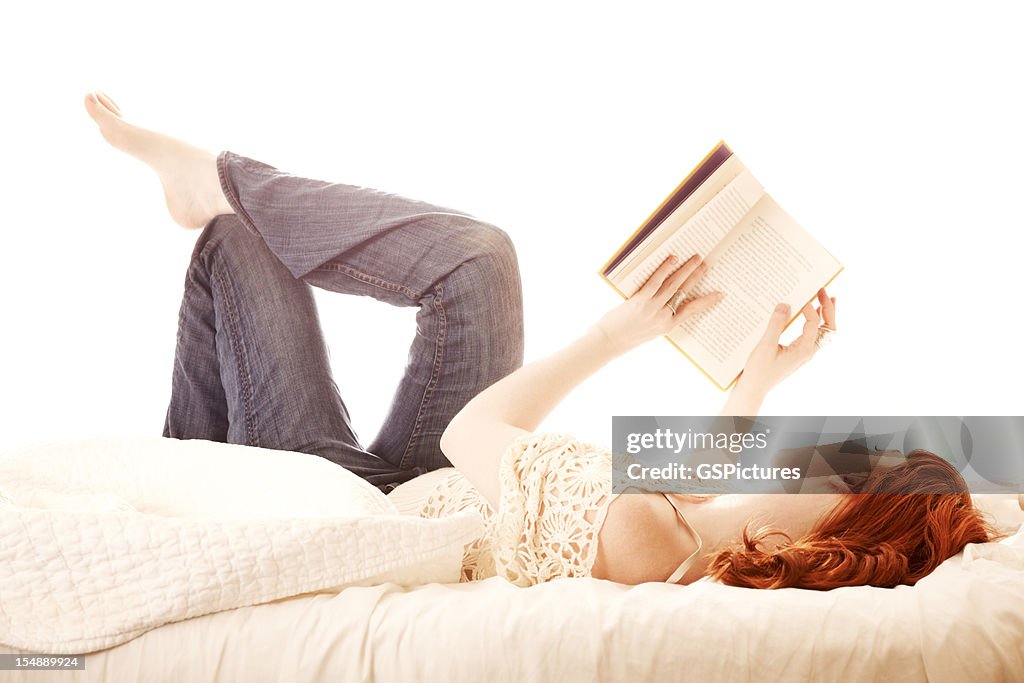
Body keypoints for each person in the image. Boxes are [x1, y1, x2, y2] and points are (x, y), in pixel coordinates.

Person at [84, 92, 994, 591]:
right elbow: (705, 476)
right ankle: (216, 189)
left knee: (240, 245)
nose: (811, 460)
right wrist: (759, 375)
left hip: (363, 498)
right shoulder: (685, 526)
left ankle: (198, 451)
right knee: (482, 260)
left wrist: (615, 333)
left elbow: (468, 437)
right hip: (431, 486)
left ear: (840, 528)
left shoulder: (647, 535)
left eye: (840, 471)